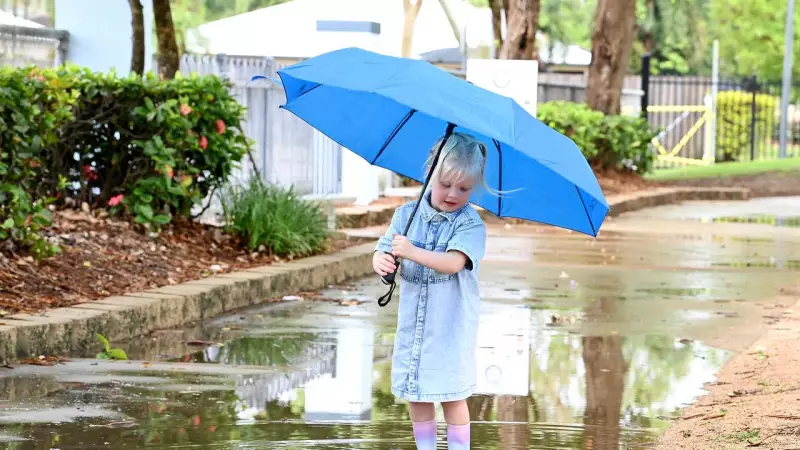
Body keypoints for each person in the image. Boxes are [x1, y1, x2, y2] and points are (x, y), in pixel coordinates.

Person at [372, 131, 492, 450]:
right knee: (417, 392)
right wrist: (381, 262)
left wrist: (412, 252)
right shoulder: (405, 216)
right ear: (428, 174)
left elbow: (453, 263)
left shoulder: (470, 225)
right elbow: (383, 248)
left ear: (475, 185)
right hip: (414, 328)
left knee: (452, 394)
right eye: (445, 184)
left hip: (449, 327)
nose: (452, 194)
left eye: (464, 188)